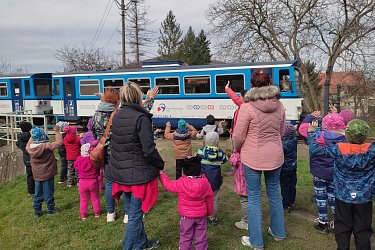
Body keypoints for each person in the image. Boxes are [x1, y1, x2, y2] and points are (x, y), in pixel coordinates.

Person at [106, 82, 164, 250]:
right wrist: (160, 164)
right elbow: (148, 149)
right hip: (137, 175)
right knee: (135, 216)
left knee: (133, 213)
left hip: (122, 173)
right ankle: (130, 246)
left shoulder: (117, 115)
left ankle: (142, 243)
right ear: (138, 97)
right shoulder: (141, 118)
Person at [233, 69, 286, 249]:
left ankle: (256, 241)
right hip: (275, 155)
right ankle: (279, 232)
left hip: (252, 157)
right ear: (269, 83)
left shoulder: (247, 107)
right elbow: (281, 132)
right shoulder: (280, 105)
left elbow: (239, 136)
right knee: (275, 194)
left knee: (254, 197)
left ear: (253, 84)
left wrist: (237, 149)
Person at [307, 119, 374, 250]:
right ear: (365, 136)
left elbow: (315, 150)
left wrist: (311, 133)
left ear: (347, 135)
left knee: (342, 225)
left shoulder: (338, 149)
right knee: (363, 227)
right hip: (364, 197)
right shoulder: (371, 151)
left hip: (343, 195)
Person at [299, 112, 347, 233]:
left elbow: (302, 129)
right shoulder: (345, 137)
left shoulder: (318, 134)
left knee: (321, 197)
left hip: (319, 173)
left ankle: (323, 222)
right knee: (333, 196)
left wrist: (311, 123)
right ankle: (337, 222)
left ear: (324, 125)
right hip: (335, 173)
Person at [159, 155, 214, 250]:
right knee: (201, 236)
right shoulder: (205, 182)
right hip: (201, 215)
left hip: (186, 216)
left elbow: (168, 185)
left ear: (184, 171)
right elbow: (209, 198)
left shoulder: (181, 182)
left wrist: (162, 174)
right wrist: (210, 212)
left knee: (185, 236)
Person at [91, 88, 120, 222]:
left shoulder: (96, 114)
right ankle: (127, 213)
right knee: (125, 182)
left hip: (104, 154)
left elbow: (93, 131)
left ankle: (110, 213)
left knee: (109, 182)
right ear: (116, 100)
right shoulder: (117, 114)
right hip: (119, 153)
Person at [225, 81, 249, 230]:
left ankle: (246, 221)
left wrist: (227, 89)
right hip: (240, 138)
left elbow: (235, 98)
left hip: (240, 139)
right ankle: (235, 170)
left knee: (236, 156)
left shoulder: (244, 106)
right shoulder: (247, 106)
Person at [26, 126, 62, 217]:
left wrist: (33, 135)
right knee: (48, 192)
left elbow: (29, 142)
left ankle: (37, 211)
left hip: (37, 174)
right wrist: (57, 132)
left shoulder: (29, 148)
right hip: (48, 173)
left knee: (37, 193)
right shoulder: (46, 146)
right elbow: (59, 143)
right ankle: (51, 209)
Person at [197, 131, 228, 225]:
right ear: (217, 141)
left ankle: (202, 215)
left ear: (205, 140)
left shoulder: (201, 151)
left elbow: (196, 159)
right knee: (214, 199)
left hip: (203, 181)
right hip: (215, 180)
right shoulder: (220, 153)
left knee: (202, 198)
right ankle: (212, 217)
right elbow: (225, 160)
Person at [74, 143, 101, 220]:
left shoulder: (79, 159)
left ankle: (83, 214)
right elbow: (98, 168)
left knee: (83, 199)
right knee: (95, 197)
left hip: (82, 182)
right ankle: (97, 213)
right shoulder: (93, 159)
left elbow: (75, 166)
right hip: (93, 181)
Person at [280, 123, 298, 212]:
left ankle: (286, 203)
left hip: (284, 168)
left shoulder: (282, 144)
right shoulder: (295, 140)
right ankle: (292, 201)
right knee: (292, 185)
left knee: (285, 186)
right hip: (293, 167)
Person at [16, 121, 34, 197]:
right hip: (34, 158)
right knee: (37, 174)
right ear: (30, 128)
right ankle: (39, 189)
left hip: (26, 159)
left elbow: (17, 144)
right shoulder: (32, 137)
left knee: (29, 176)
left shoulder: (20, 138)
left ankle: (30, 192)